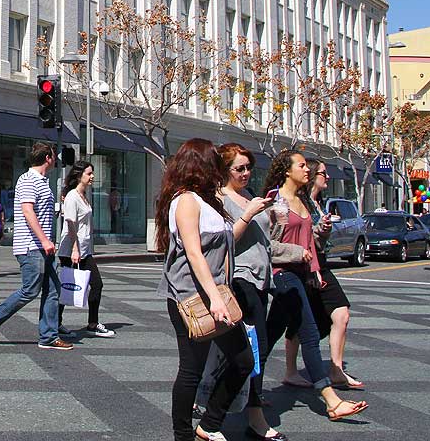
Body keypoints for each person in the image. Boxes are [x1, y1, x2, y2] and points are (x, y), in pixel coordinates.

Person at [157, 139, 254, 441]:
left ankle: (209, 424)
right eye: (214, 161)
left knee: (243, 362)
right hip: (191, 297)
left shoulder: (210, 199)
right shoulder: (185, 200)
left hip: (218, 294)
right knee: (192, 368)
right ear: (200, 164)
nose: (219, 167)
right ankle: (183, 434)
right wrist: (214, 298)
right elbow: (195, 253)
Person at [259, 150, 367, 422]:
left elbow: (310, 243)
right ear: (287, 170)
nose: (308, 170)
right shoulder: (276, 202)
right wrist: (297, 253)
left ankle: (248, 389)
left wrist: (321, 234)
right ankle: (331, 401)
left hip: (304, 273)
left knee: (269, 335)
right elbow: (266, 246)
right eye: (302, 165)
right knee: (308, 332)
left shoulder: (303, 200)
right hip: (283, 274)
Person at [216, 143, 285, 441]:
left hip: (260, 279)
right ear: (224, 170)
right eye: (239, 168)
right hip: (240, 279)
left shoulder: (248, 196)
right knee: (256, 348)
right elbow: (225, 240)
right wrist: (249, 214)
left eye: (248, 168)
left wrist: (272, 221)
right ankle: (255, 417)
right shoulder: (220, 199)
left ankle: (212, 403)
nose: (245, 174)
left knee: (243, 352)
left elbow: (266, 243)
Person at [0, 142, 71, 350]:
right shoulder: (29, 179)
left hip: (43, 247)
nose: (55, 158)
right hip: (32, 246)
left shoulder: (42, 181)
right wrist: (45, 240)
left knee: (53, 290)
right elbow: (28, 212)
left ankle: (48, 336)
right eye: (53, 155)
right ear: (47, 158)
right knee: (30, 290)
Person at [282, 159, 364, 390]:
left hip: (320, 264)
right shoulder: (299, 201)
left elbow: (314, 239)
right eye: (322, 173)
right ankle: (290, 371)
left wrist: (323, 233)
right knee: (302, 321)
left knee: (341, 314)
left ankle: (336, 369)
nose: (326, 177)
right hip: (303, 266)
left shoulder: (318, 203)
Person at [58, 160, 115, 338]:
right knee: (68, 286)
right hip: (71, 249)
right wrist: (75, 249)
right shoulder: (72, 197)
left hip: (84, 249)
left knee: (92, 284)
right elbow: (70, 223)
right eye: (89, 174)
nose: (92, 177)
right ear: (79, 176)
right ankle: (55, 323)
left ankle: (91, 323)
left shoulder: (83, 196)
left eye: (92, 173)